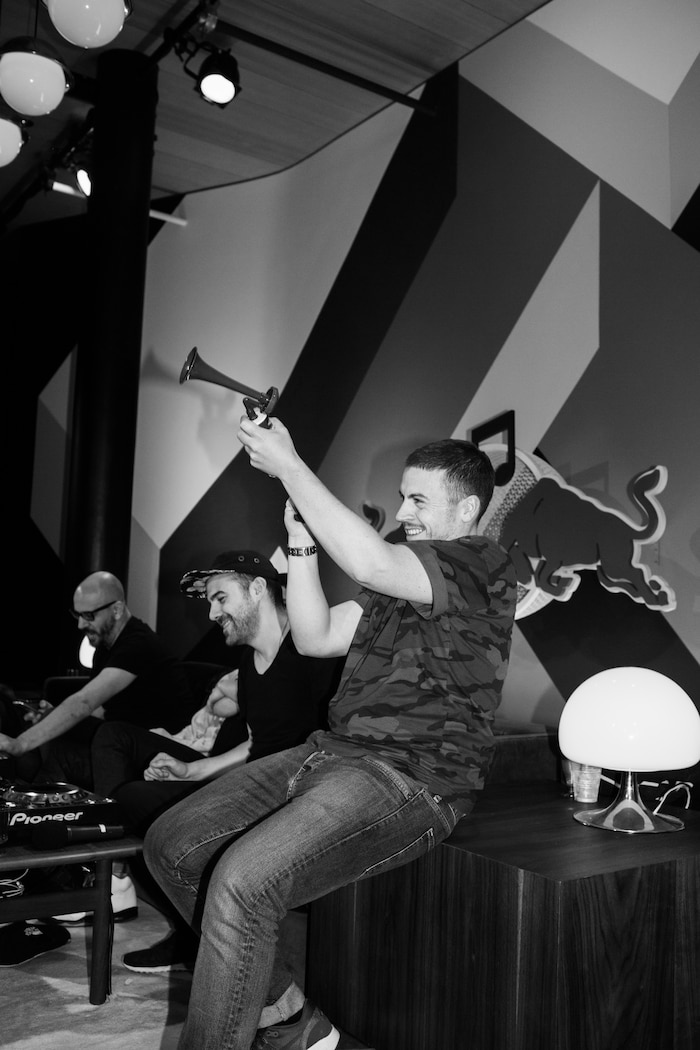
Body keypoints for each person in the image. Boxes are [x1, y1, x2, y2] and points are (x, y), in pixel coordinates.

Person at [144, 418, 517, 1050]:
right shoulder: (400, 583)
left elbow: (371, 561)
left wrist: (291, 465)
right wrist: (300, 544)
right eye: (402, 497)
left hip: (411, 779)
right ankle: (289, 1021)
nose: (403, 512)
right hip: (331, 755)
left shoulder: (484, 564)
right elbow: (315, 637)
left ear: (468, 508)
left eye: (418, 499)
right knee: (170, 845)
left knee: (243, 881)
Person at [88, 550, 342, 972]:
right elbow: (256, 743)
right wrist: (192, 769)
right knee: (127, 787)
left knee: (138, 806)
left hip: (291, 796)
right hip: (253, 783)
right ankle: (187, 926)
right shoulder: (249, 661)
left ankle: (191, 933)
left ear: (257, 589)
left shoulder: (312, 651)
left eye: (220, 598)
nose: (212, 613)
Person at [0, 571, 201, 790]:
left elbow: (85, 701)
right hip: (124, 739)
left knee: (89, 741)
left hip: (159, 748)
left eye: (88, 615)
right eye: (77, 615)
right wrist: (53, 717)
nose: (80, 624)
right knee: (53, 736)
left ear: (116, 610)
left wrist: (19, 744)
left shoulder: (139, 644)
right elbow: (102, 709)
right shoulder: (105, 646)